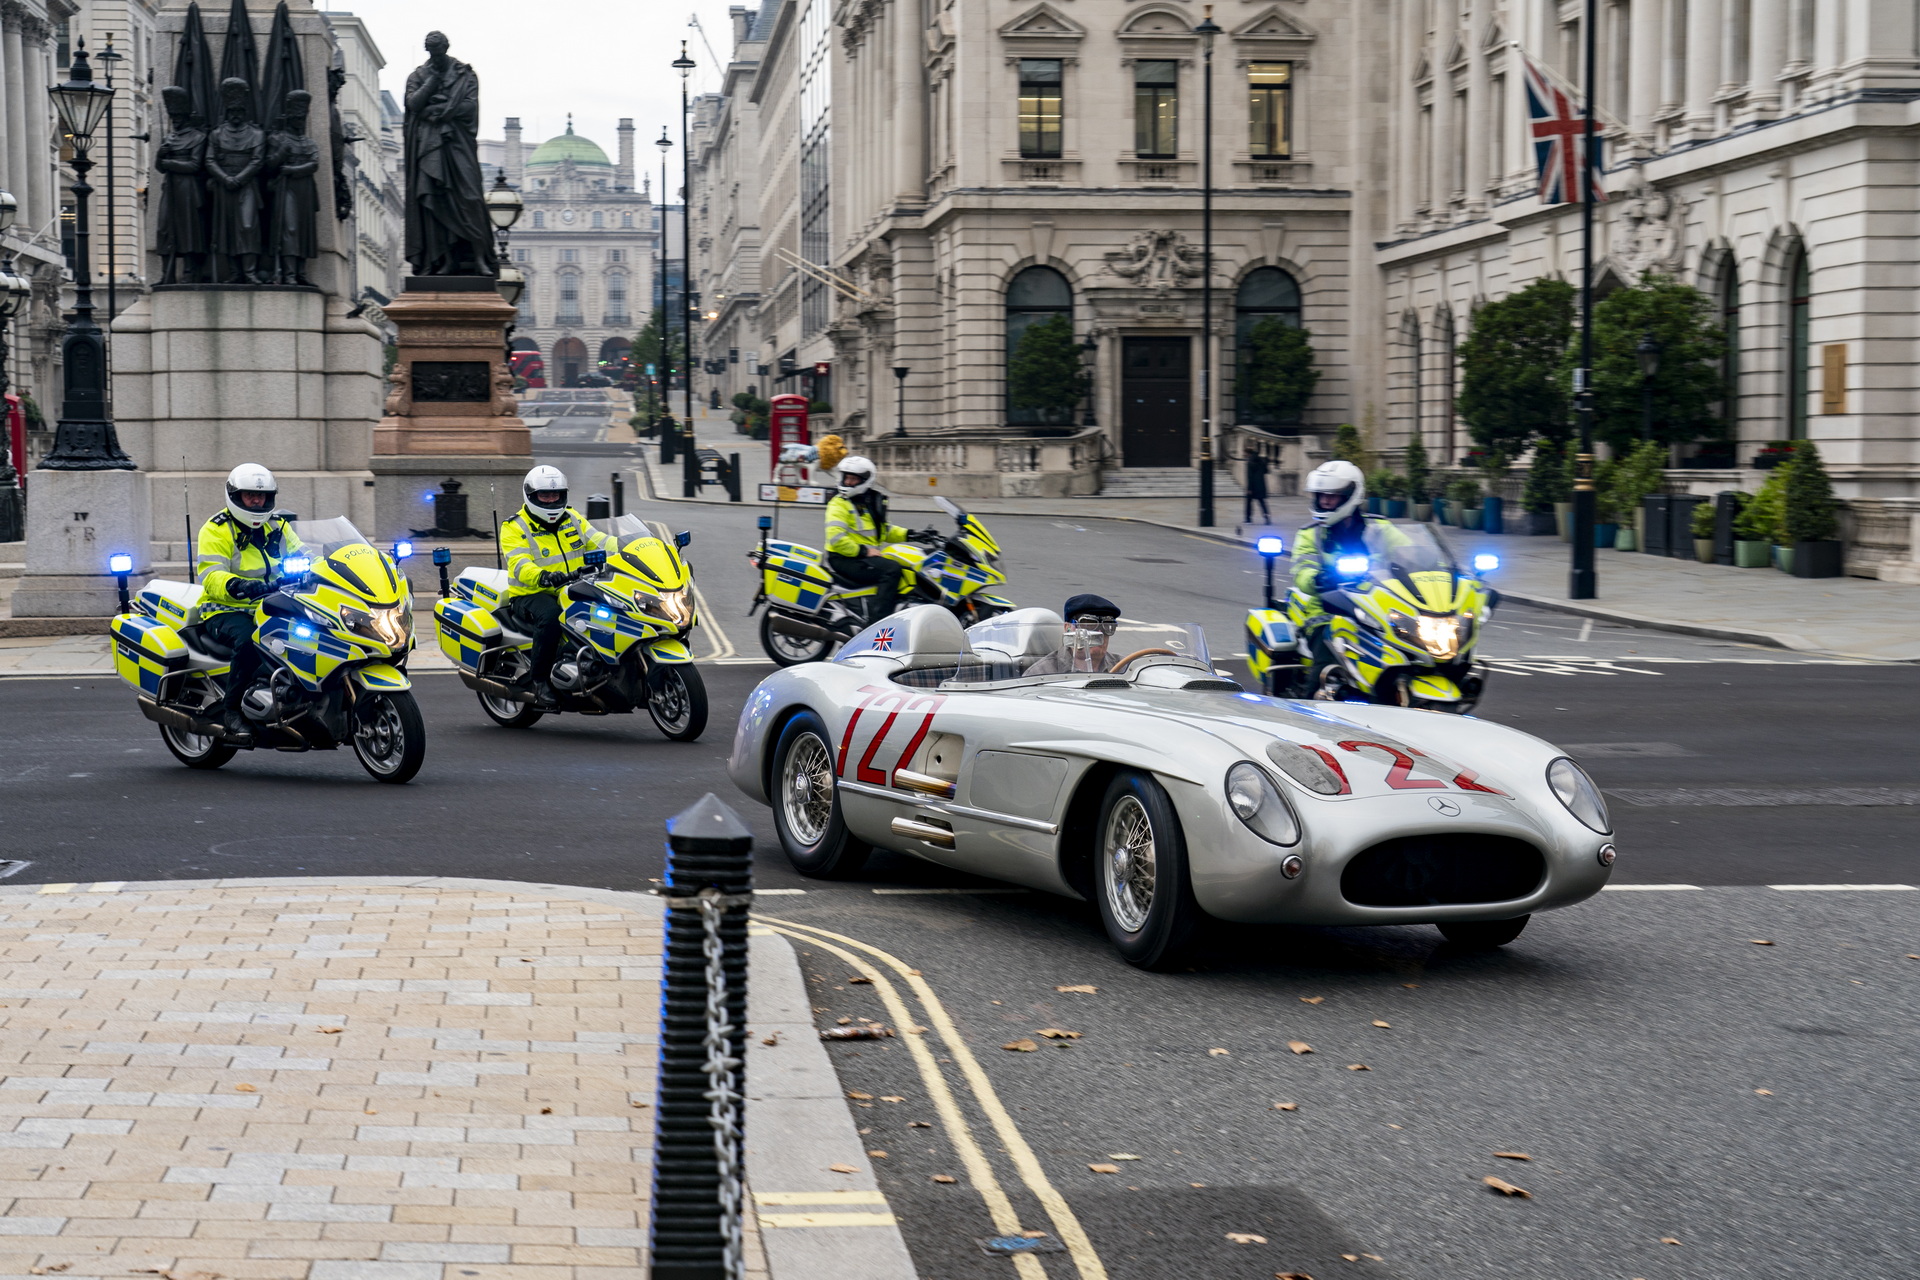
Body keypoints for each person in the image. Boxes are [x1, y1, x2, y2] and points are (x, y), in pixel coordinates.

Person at [195, 464, 303, 743]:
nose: (257, 501)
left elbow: (306, 556)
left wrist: (323, 569)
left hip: (275, 603)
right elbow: (210, 575)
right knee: (251, 640)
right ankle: (232, 712)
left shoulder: (279, 526)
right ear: (235, 495)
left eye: (262, 496)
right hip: (224, 608)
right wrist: (237, 585)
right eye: (249, 495)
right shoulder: (217, 529)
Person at [498, 465, 617, 706]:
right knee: (552, 617)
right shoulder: (514, 527)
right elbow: (520, 564)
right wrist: (544, 576)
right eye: (545, 495)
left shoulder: (572, 518)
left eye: (556, 495)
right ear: (531, 496)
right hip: (533, 593)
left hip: (574, 587)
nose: (552, 500)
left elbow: (601, 541)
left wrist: (633, 548)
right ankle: (540, 681)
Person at [1290, 460, 1411, 679]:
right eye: (1321, 495)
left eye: (1332, 495)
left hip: (1379, 610)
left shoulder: (1381, 529)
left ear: (1350, 496)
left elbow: (1411, 554)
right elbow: (1302, 571)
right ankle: (1309, 706)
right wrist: (1319, 578)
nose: (1325, 501)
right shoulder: (1310, 534)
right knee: (1327, 666)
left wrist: (1439, 570)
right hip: (1328, 611)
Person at [824, 456, 915, 624]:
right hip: (844, 558)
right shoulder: (839, 504)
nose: (848, 482)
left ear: (865, 481)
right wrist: (865, 551)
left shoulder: (867, 502)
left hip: (860, 557)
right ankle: (877, 624)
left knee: (909, 566)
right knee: (892, 570)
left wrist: (912, 534)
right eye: (847, 478)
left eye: (853, 479)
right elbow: (836, 539)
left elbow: (884, 531)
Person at [1026, 594, 1121, 677]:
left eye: (1108, 625)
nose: (1100, 632)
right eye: (1088, 624)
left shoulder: (1125, 668)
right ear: (1068, 628)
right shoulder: (1042, 673)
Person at [1242, 448, 1272, 528]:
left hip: (1253, 486)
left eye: (1245, 453)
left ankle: (1248, 519)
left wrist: (1249, 488)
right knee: (1262, 503)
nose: (1244, 455)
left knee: (1248, 503)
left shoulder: (1250, 462)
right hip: (1261, 485)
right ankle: (1267, 517)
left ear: (1248, 453)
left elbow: (1250, 477)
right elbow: (1266, 471)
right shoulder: (1261, 460)